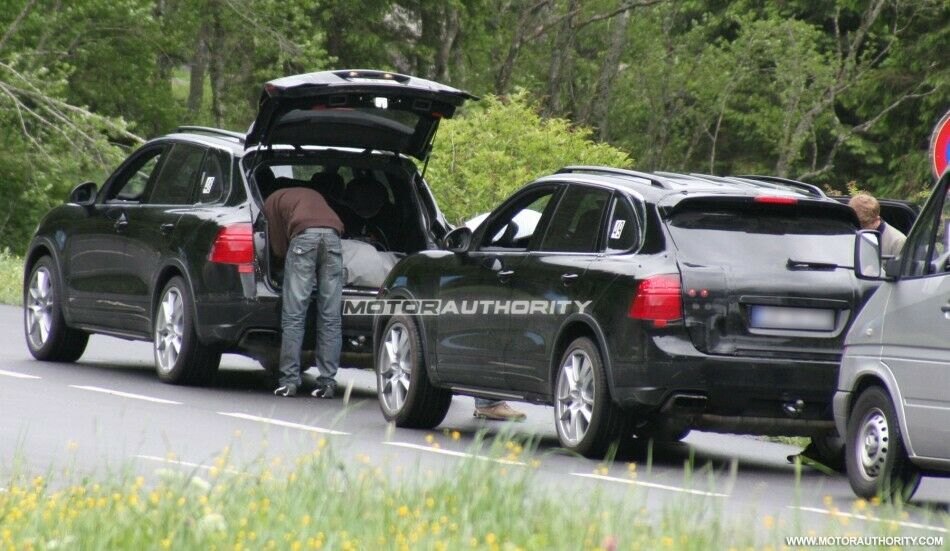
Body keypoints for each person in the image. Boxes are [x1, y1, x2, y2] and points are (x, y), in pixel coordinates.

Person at [264, 186, 345, 398]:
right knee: (331, 316)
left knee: (294, 314)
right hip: (333, 237)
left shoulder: (270, 203)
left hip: (304, 238)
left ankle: (289, 381)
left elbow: (279, 247)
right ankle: (328, 383)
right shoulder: (311, 194)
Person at [849, 192, 907, 257]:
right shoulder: (850, 235)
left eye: (861, 224)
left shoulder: (897, 242)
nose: (857, 228)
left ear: (875, 220)